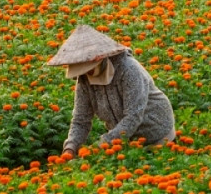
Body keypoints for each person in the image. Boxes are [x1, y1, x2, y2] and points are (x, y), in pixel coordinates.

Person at [46, 24, 176, 158]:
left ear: (98, 59)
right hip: (124, 142)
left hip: (157, 133)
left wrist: (103, 144)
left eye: (87, 68)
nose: (85, 73)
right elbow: (81, 119)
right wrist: (70, 148)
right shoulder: (84, 80)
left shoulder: (129, 70)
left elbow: (134, 116)